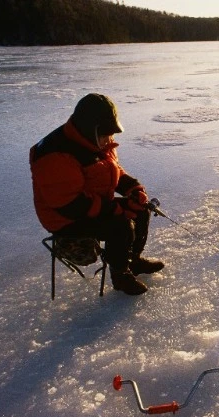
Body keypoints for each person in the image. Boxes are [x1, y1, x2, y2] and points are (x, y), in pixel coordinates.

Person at [30, 93, 164, 295]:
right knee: (120, 224)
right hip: (65, 217)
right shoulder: (54, 154)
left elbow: (110, 171)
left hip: (93, 201)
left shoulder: (96, 141)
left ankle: (132, 261)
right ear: (90, 128)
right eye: (105, 133)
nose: (109, 138)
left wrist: (133, 189)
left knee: (140, 211)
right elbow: (70, 205)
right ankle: (120, 276)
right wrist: (118, 208)